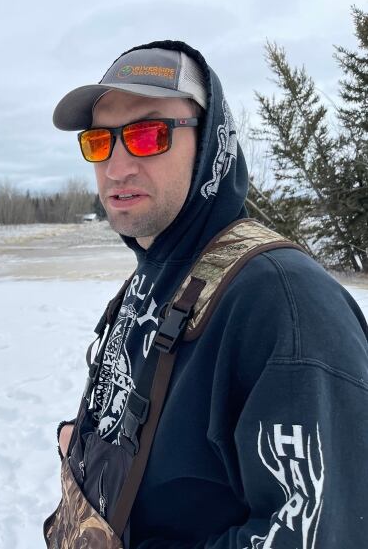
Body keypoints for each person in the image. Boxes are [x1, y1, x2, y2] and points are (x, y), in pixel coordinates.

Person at [50, 40, 368, 548]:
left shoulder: (284, 305)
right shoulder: (157, 278)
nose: (116, 166)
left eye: (148, 134)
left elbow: (320, 534)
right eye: (99, 142)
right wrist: (85, 444)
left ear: (211, 145)